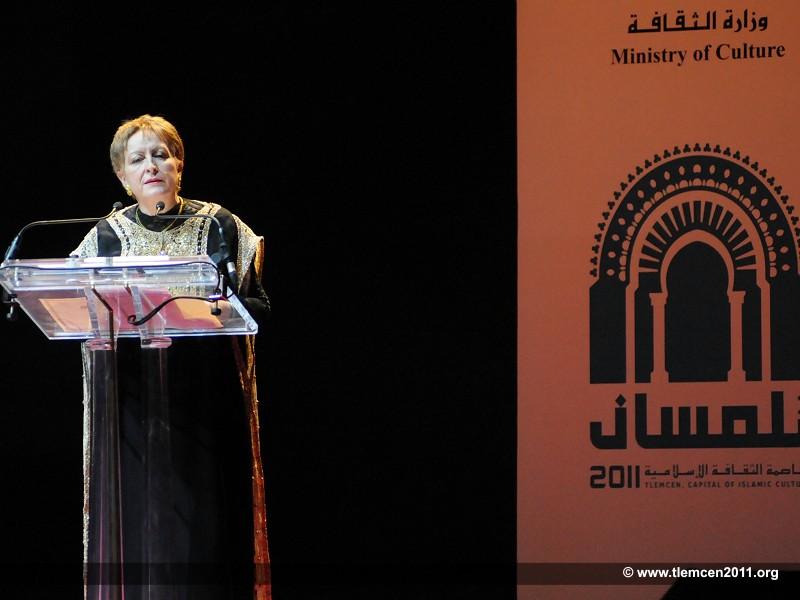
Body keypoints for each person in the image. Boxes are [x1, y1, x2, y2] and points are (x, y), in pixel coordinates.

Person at [72, 115, 271, 599]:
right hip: (134, 408)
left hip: (206, 402)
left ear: (179, 164)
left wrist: (226, 309)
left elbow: (259, 305)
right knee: (144, 524)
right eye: (137, 159)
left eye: (160, 154)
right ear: (123, 177)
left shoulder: (220, 226)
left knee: (204, 530)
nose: (151, 166)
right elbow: (74, 307)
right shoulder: (104, 236)